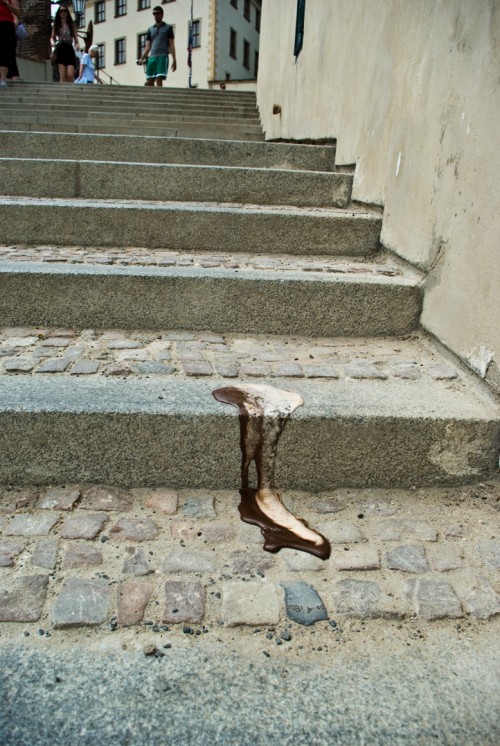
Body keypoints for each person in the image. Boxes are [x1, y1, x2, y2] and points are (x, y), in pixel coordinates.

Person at [138, 5, 176, 87]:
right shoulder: (150, 29)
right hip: (152, 57)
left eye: (157, 14)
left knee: (159, 78)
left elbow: (172, 45)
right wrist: (142, 58)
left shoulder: (168, 28)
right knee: (149, 80)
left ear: (162, 14)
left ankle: (160, 97)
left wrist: (174, 60)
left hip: (162, 56)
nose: (155, 16)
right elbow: (148, 47)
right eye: (154, 14)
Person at [51, 3, 79, 83]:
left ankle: (70, 91)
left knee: (70, 75)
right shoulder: (56, 25)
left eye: (65, 11)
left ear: (67, 13)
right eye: (61, 11)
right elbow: (52, 38)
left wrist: (77, 45)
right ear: (59, 13)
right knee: (62, 76)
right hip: (61, 48)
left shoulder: (71, 25)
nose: (63, 13)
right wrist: (53, 43)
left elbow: (76, 40)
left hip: (69, 48)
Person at [0, 0, 20, 88]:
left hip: (6, 24)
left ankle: (3, 79)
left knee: (5, 52)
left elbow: (17, 12)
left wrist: (6, 3)